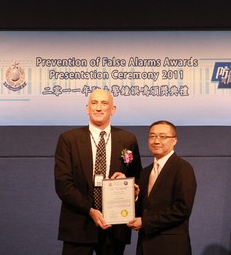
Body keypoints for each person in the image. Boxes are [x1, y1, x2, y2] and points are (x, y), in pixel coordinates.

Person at [54, 89, 142, 255]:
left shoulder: (128, 139)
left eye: (104, 103)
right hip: (79, 224)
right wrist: (90, 210)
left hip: (115, 226)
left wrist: (131, 185)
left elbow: (137, 177)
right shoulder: (68, 140)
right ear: (87, 108)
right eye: (94, 103)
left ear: (113, 109)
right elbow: (63, 184)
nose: (99, 108)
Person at [128, 120, 197, 255]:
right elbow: (145, 209)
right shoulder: (146, 172)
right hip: (145, 245)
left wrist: (145, 222)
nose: (156, 141)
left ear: (174, 140)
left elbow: (182, 209)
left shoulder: (183, 168)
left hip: (171, 246)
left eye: (163, 136)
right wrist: (133, 196)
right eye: (152, 136)